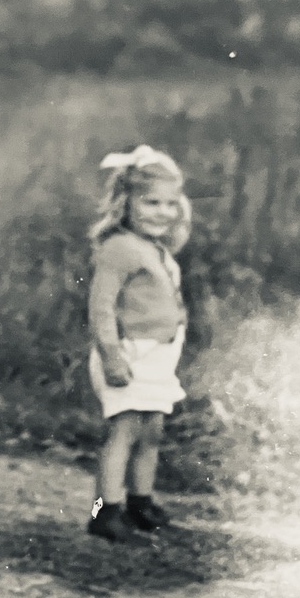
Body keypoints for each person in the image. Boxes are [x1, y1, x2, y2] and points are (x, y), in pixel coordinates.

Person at [85, 144, 192, 542]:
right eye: (151, 202)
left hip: (157, 357)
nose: (162, 212)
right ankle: (104, 511)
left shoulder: (154, 247)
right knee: (124, 431)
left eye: (170, 204)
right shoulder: (119, 248)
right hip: (128, 354)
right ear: (124, 202)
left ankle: (139, 502)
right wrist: (111, 356)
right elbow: (101, 308)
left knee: (152, 431)